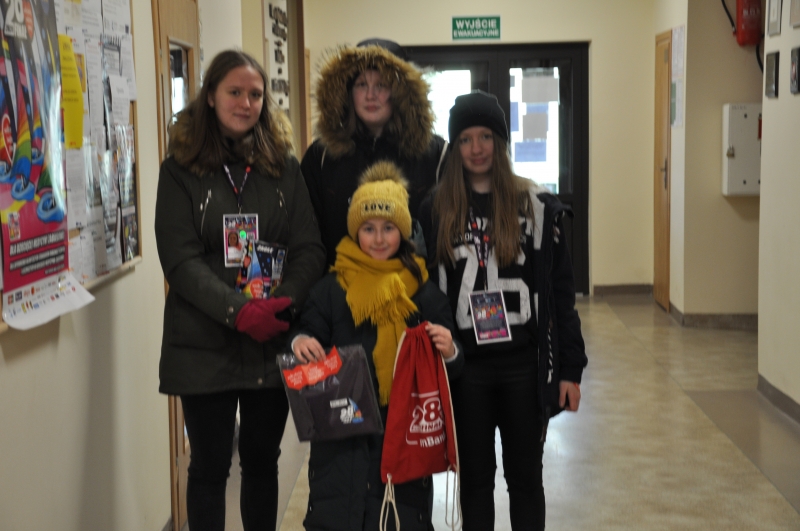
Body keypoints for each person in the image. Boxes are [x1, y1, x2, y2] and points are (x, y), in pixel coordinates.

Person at [154, 50, 325, 531]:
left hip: (269, 341)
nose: (246, 103)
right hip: (203, 343)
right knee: (210, 467)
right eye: (235, 92)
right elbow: (180, 259)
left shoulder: (282, 167)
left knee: (262, 461)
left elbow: (309, 246)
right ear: (210, 95)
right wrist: (238, 311)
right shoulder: (180, 169)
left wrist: (283, 301)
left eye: (255, 94)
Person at [419, 91, 588, 530]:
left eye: (486, 137)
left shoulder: (536, 206)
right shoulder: (436, 209)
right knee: (475, 482)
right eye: (465, 139)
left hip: (523, 367)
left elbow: (560, 294)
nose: (476, 148)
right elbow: (425, 290)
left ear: (501, 142)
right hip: (467, 369)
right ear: (455, 147)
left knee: (526, 481)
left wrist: (570, 369)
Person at [290, 161, 463, 531]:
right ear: (356, 232)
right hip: (342, 441)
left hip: (404, 433)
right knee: (341, 515)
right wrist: (301, 340)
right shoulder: (330, 290)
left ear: (404, 231)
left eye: (389, 228)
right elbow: (309, 332)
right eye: (368, 229)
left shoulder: (423, 293)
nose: (379, 238)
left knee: (400, 518)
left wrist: (450, 351)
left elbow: (451, 367)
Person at [301, 38, 447, 266]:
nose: (370, 95)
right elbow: (308, 240)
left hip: (415, 284)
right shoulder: (321, 157)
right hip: (339, 285)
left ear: (401, 92)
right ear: (348, 92)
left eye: (381, 85)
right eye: (361, 84)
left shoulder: (434, 154)